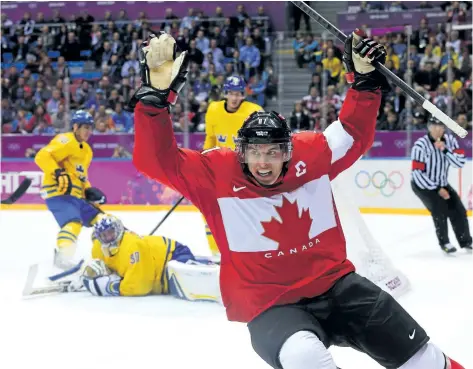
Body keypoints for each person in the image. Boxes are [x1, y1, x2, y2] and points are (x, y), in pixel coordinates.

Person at [129, 31, 465, 369]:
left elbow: (352, 134)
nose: (264, 162)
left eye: (273, 152)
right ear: (240, 152)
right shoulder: (215, 173)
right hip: (271, 305)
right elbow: (155, 160)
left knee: (426, 360)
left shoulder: (312, 154)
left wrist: (364, 83)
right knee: (304, 358)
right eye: (255, 152)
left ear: (288, 151)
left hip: (337, 286)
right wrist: (154, 101)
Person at [78, 213, 220, 301]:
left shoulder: (132, 246)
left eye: (111, 232)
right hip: (157, 272)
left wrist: (111, 287)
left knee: (186, 285)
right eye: (104, 235)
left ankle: (211, 266)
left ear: (119, 229)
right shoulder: (98, 248)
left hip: (173, 256)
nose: (108, 238)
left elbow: (140, 286)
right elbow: (101, 265)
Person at [34, 110, 106, 270]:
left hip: (77, 197)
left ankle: (109, 255)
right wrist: (57, 172)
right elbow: (41, 156)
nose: (88, 131)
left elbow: (81, 176)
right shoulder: (65, 140)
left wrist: (88, 190)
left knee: (105, 222)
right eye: (85, 127)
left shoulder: (87, 150)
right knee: (73, 223)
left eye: (90, 128)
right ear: (75, 127)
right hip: (59, 193)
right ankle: (63, 257)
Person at [202, 75, 262, 257]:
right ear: (225, 93)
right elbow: (210, 139)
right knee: (211, 210)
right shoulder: (213, 109)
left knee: (244, 212)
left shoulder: (254, 111)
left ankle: (247, 251)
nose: (235, 98)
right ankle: (216, 253)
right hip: (219, 170)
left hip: (244, 172)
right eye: (231, 94)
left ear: (244, 94)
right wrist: (204, 162)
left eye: (239, 94)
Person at [411, 117, 472, 253]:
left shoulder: (450, 141)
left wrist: (445, 150)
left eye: (442, 126)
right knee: (439, 208)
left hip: (442, 183)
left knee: (458, 209)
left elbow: (460, 163)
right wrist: (438, 189)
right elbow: (417, 174)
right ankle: (445, 242)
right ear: (429, 127)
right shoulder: (420, 145)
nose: (439, 129)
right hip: (422, 185)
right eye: (435, 126)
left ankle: (466, 241)